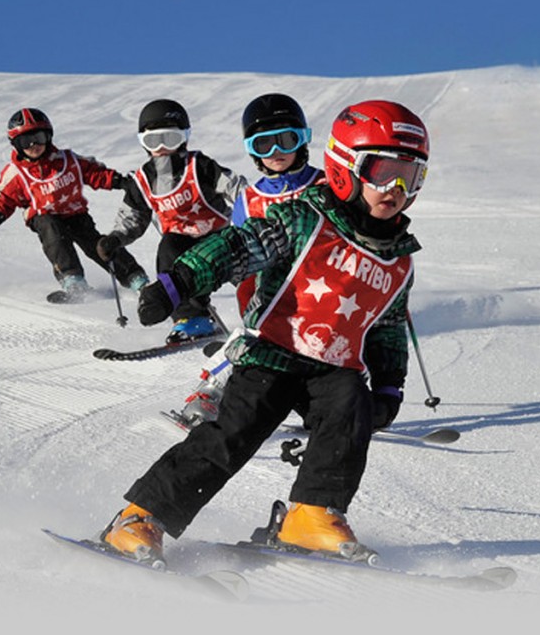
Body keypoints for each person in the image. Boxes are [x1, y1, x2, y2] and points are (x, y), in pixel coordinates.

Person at [98, 100, 431, 565]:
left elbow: (387, 326)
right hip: (273, 352)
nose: (395, 187)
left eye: (410, 175)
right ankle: (140, 517)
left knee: (350, 404)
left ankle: (311, 513)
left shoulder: (399, 260)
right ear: (343, 166)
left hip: (333, 366)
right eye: (381, 171)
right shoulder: (304, 219)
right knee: (230, 436)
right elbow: (238, 245)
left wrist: (390, 386)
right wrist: (180, 282)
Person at [172, 93, 324, 428]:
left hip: (323, 290)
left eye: (286, 140)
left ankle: (323, 407)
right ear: (251, 151)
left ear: (303, 139)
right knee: (260, 339)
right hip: (270, 297)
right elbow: (238, 249)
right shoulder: (251, 199)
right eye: (263, 145)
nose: (276, 152)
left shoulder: (326, 185)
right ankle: (214, 389)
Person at [95, 99, 246, 342]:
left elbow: (236, 188)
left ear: (185, 138)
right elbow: (133, 216)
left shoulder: (200, 167)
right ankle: (190, 318)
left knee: (251, 269)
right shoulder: (142, 180)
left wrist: (253, 211)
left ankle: (268, 314)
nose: (163, 147)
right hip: (180, 241)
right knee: (168, 251)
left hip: (219, 238)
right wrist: (115, 238)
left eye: (171, 139)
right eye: (154, 141)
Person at [0, 108, 148, 301]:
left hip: (75, 214)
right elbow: (5, 199)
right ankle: (73, 280)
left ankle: (135, 278)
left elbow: (94, 173)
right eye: (26, 141)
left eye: (39, 138)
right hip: (43, 216)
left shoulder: (68, 160)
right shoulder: (16, 173)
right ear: (16, 144)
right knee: (54, 234)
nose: (34, 145)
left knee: (97, 244)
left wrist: (120, 182)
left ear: (48, 137)